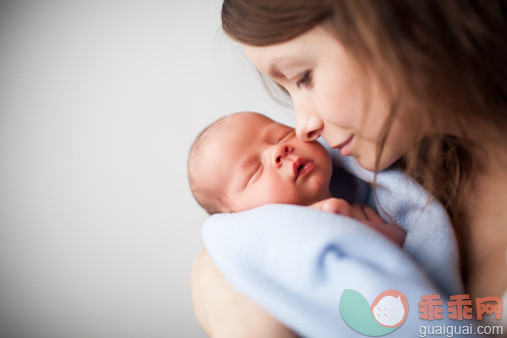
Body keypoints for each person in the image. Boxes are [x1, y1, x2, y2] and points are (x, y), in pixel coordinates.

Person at [192, 1, 507, 336]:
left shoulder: (381, 184)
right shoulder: (379, 174)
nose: (303, 128)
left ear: (405, 21)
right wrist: (235, 312)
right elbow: (225, 246)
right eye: (290, 88)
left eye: (304, 77)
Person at [187, 111, 406, 246]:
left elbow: (403, 243)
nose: (279, 150)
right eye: (255, 170)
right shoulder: (273, 247)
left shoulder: (358, 210)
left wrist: (357, 228)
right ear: (241, 217)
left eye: (281, 135)